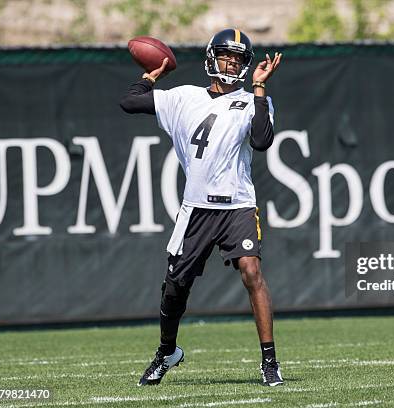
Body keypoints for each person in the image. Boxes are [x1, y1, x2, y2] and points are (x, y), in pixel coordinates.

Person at [120, 28, 283, 386]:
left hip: (238, 205)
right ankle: (167, 353)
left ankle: (270, 362)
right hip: (196, 208)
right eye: (227, 55)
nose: (232, 62)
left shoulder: (254, 99)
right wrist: (150, 76)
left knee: (252, 271)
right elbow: (130, 102)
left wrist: (259, 88)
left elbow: (261, 141)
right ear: (212, 57)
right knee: (175, 286)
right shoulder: (183, 97)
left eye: (238, 58)